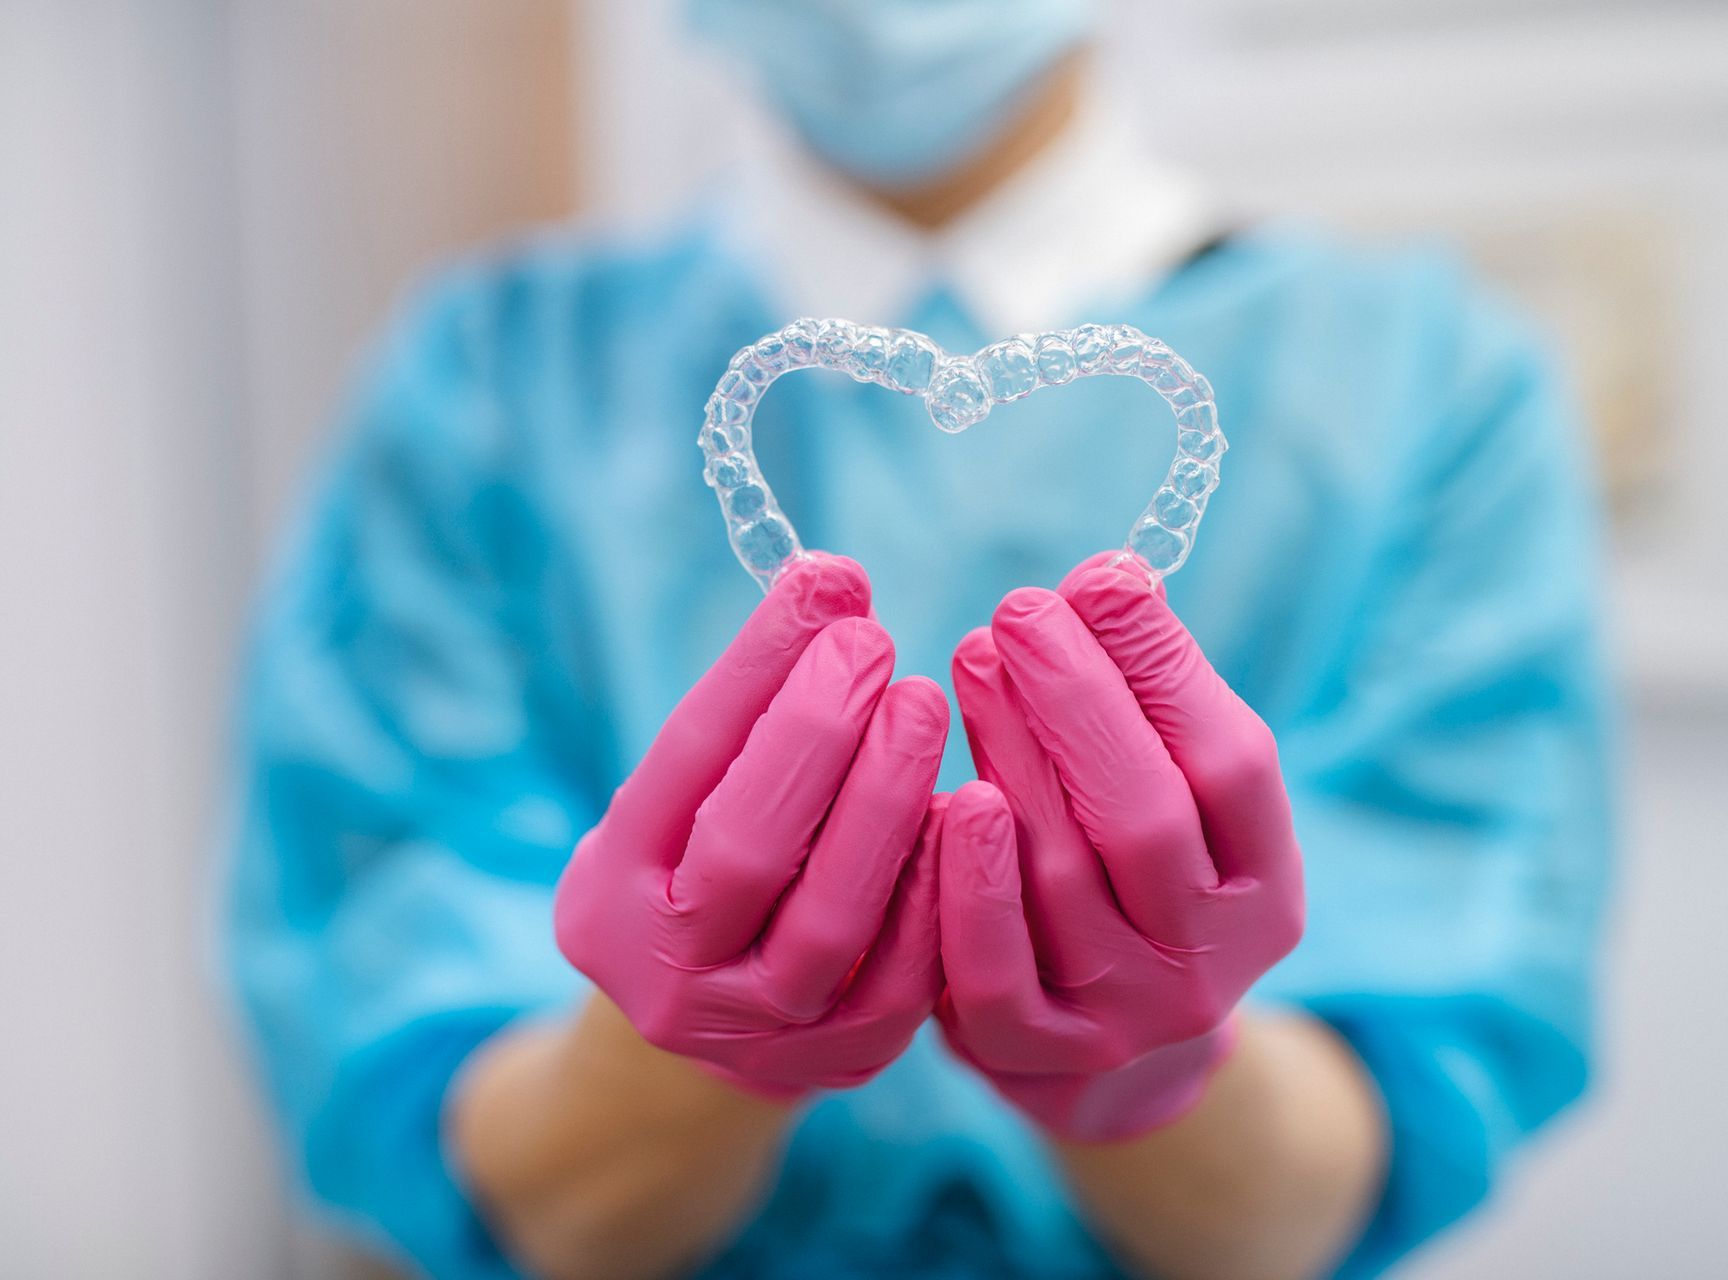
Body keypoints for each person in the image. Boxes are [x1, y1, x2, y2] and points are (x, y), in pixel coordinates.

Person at [224, 1, 1613, 1276]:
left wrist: (1159, 1073)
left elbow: (1328, 1188)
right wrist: (675, 1059)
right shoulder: (487, 386)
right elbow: (502, 1173)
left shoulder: (1430, 387)